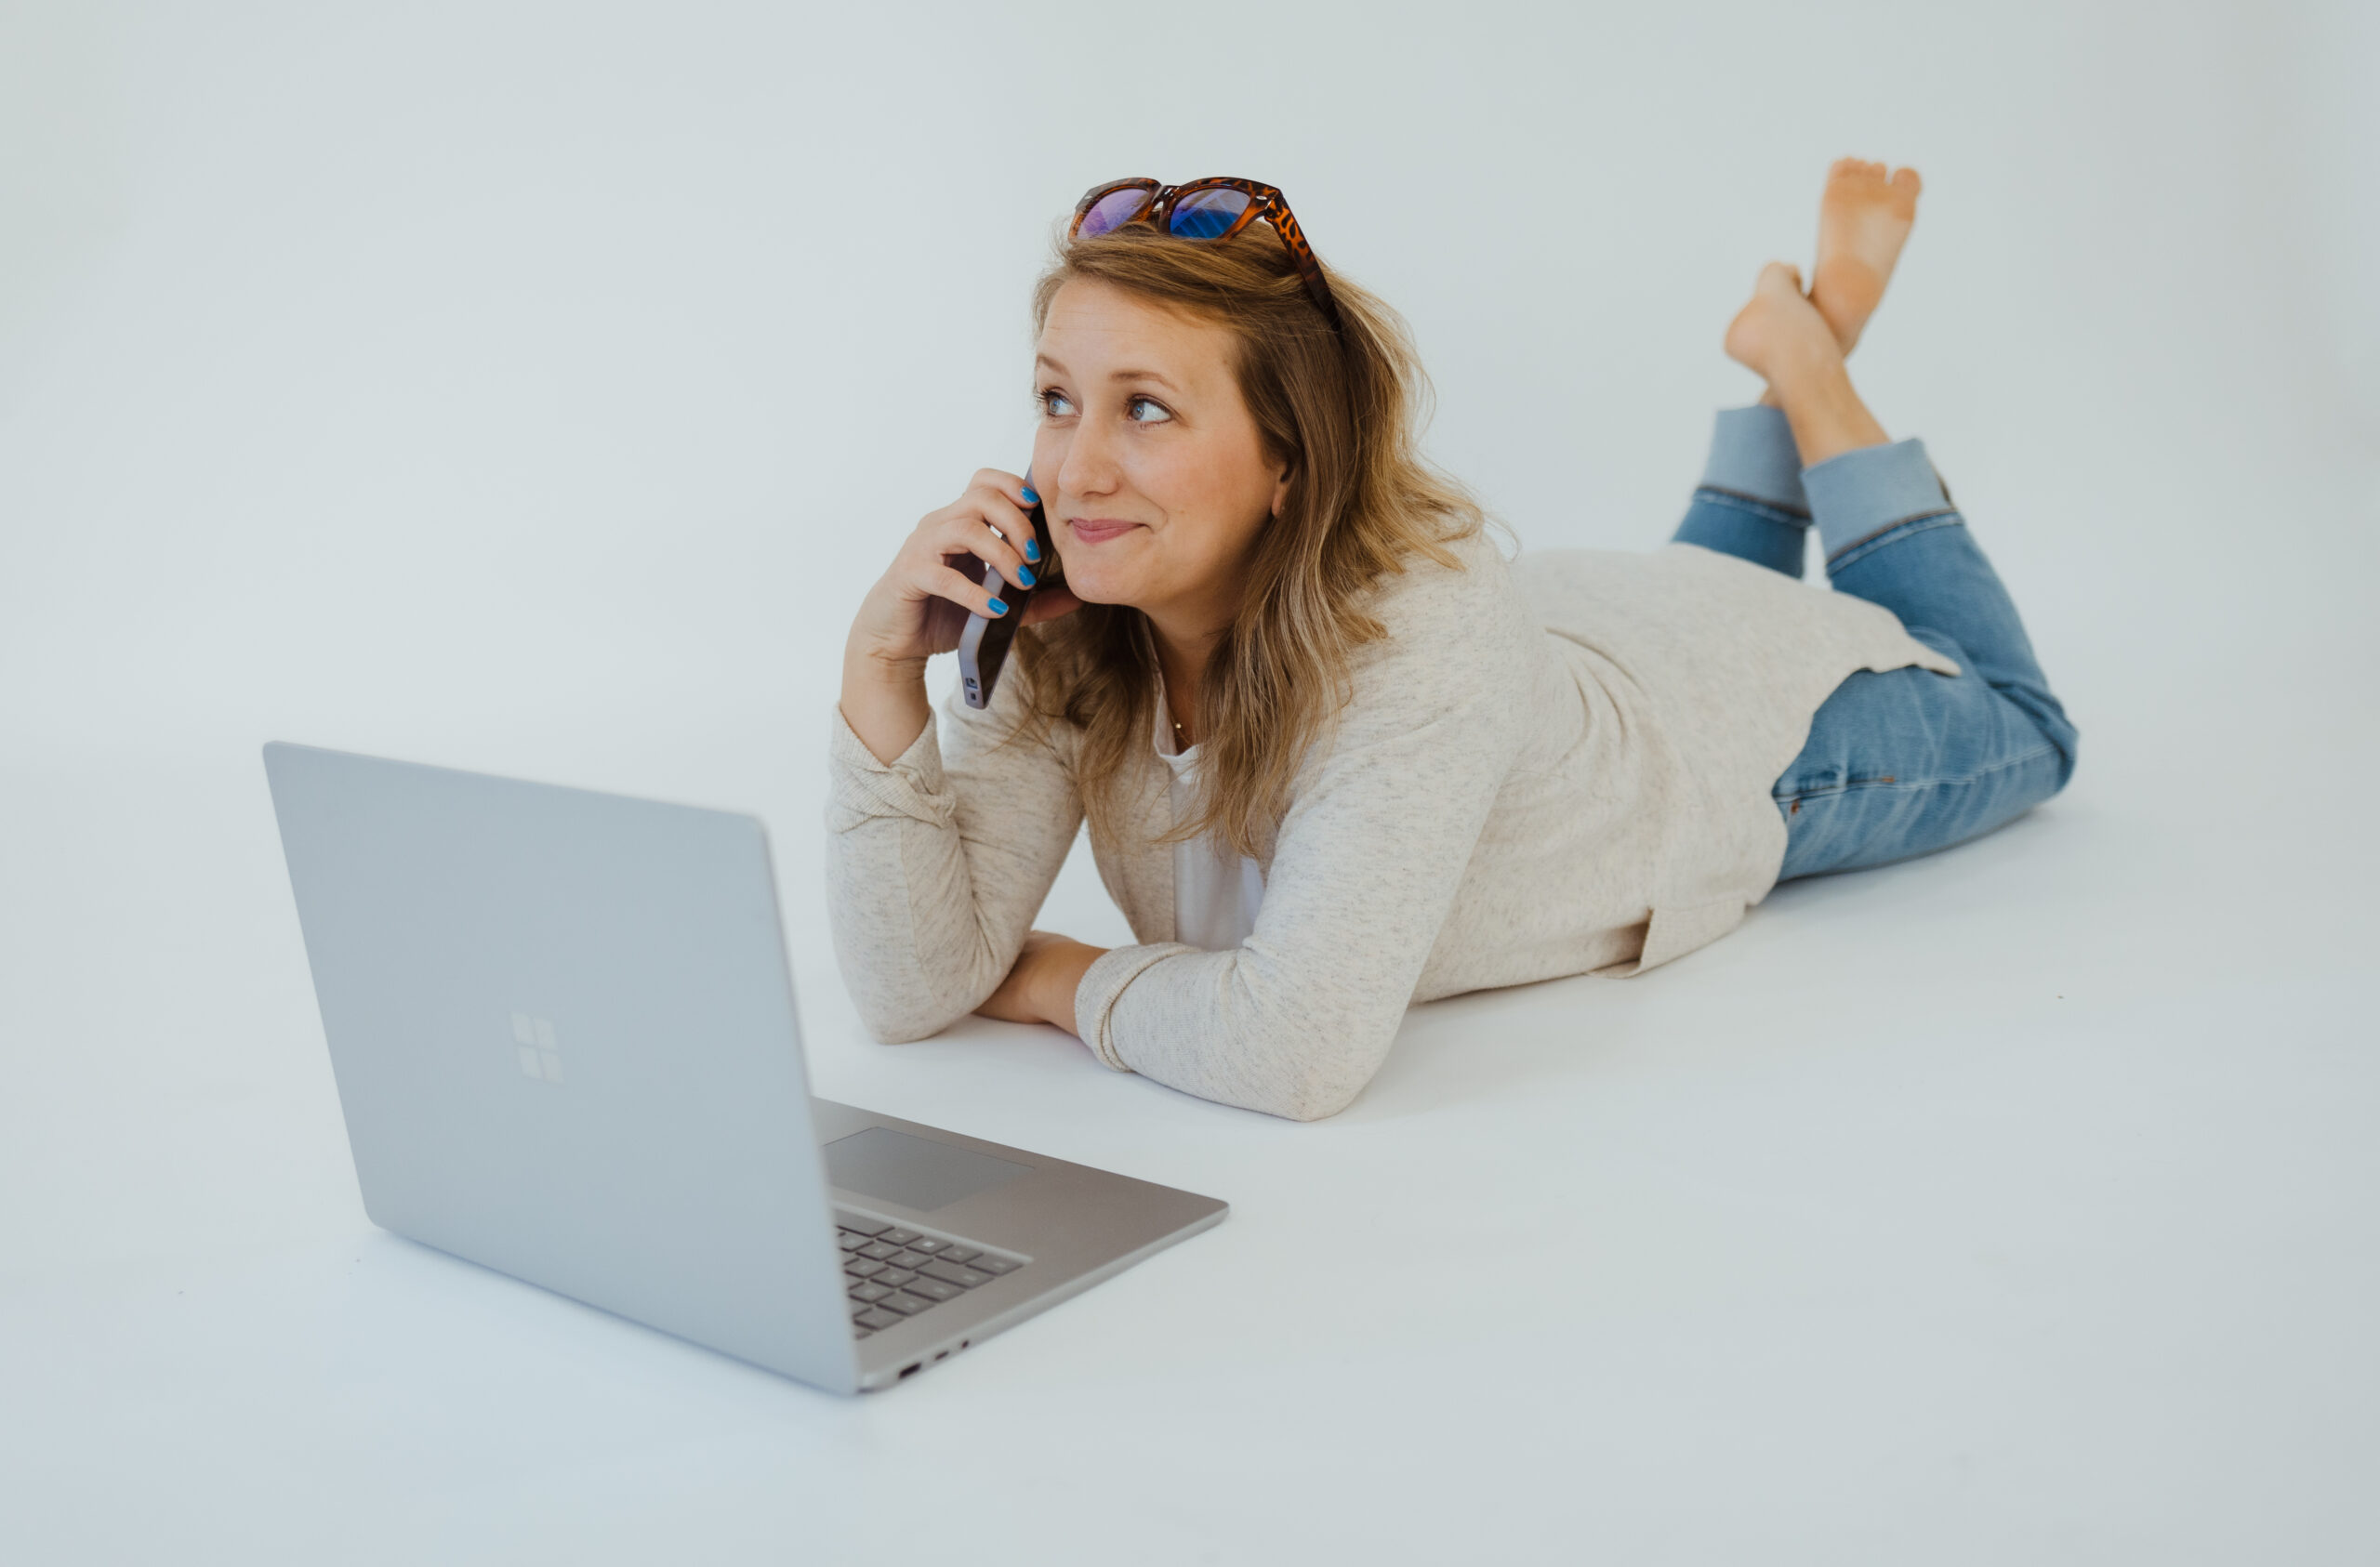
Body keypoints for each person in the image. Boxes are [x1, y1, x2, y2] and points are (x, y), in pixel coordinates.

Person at [826, 163, 2077, 1122]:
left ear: (1287, 461)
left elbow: (1298, 1046)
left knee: (2024, 722)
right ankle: (1800, 349)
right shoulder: (1061, 616)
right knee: (1701, 581)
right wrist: (883, 679)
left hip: (1709, 748)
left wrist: (1058, 978)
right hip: (1570, 645)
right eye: (1058, 399)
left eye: (1144, 407)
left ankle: (1811, 368)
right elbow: (915, 986)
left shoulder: (1417, 632)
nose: (1075, 468)